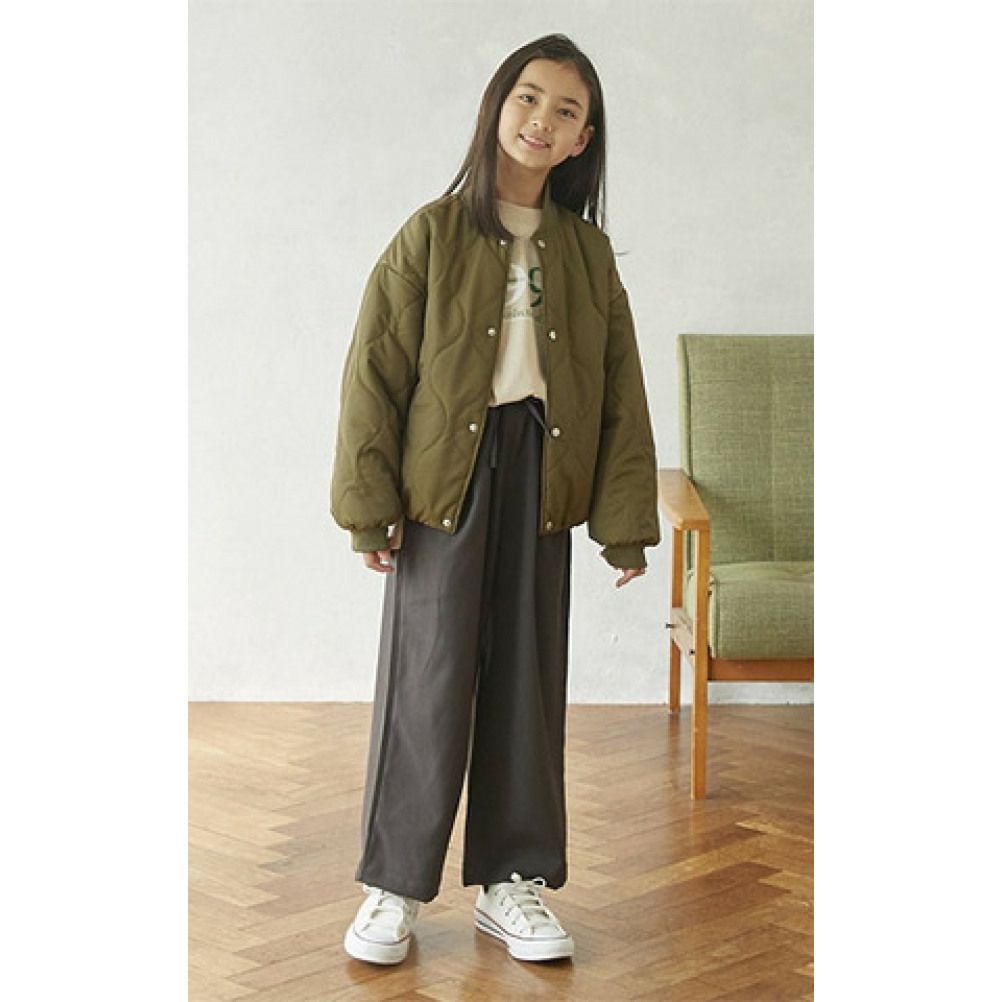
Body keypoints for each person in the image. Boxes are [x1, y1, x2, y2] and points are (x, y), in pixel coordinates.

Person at [330, 33, 660, 966]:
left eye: (566, 109)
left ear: (583, 138)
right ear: (497, 105)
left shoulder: (587, 254)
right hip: (445, 481)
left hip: (542, 476)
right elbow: (374, 376)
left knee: (527, 681)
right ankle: (395, 885)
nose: (541, 119)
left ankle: (512, 881)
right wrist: (367, 507)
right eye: (529, 96)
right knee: (428, 679)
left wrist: (624, 526)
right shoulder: (432, 234)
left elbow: (620, 392)